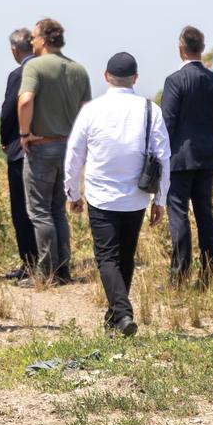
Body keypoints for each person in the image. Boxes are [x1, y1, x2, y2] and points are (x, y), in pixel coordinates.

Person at [65, 52, 171, 336]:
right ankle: (115, 320)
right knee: (125, 256)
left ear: (105, 77)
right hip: (136, 196)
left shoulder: (92, 110)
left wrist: (72, 192)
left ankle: (122, 314)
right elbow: (164, 157)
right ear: (135, 78)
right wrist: (160, 200)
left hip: (101, 195)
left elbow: (75, 154)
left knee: (107, 258)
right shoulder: (151, 110)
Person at [16, 18, 91, 285]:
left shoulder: (34, 66)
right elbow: (86, 111)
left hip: (42, 145)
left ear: (44, 40)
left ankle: (46, 272)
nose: (31, 41)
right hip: (69, 147)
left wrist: (25, 134)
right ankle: (63, 269)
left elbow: (25, 100)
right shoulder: (78, 70)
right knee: (58, 209)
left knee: (39, 211)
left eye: (34, 37)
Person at [161, 25, 213, 286]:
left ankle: (179, 275)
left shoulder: (174, 81)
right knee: (205, 212)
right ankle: (207, 274)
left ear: (181, 49)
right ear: (202, 48)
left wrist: (160, 156)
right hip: (208, 156)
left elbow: (167, 123)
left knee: (177, 212)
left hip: (179, 157)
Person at [0, 29, 39, 278]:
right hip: (52, 145)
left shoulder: (19, 74)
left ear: (15, 50)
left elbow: (8, 112)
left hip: (21, 148)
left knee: (22, 210)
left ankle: (30, 263)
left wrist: (5, 140)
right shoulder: (50, 70)